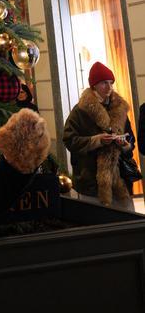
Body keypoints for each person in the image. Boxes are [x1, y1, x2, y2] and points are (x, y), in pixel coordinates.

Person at [63, 62, 135, 206]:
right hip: (91, 179)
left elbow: (131, 137)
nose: (109, 87)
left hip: (120, 180)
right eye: (103, 83)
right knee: (97, 221)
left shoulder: (120, 109)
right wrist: (97, 141)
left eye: (111, 83)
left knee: (126, 223)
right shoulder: (80, 111)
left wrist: (126, 144)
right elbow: (69, 139)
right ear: (94, 85)